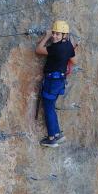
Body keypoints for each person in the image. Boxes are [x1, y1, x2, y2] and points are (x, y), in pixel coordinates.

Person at [35, 20, 77, 148]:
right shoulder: (69, 46)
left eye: (57, 34)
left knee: (48, 108)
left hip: (51, 82)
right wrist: (70, 51)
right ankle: (57, 134)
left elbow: (38, 50)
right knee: (51, 107)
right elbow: (74, 61)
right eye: (53, 33)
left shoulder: (55, 48)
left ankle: (52, 137)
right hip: (59, 82)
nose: (54, 36)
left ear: (64, 35)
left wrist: (46, 36)